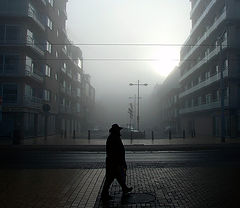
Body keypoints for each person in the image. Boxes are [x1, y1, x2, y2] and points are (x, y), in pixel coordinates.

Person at [101, 124, 133, 201]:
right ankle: (104, 194)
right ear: (116, 130)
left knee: (116, 177)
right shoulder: (114, 138)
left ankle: (124, 188)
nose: (119, 131)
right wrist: (121, 162)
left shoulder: (113, 137)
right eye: (118, 130)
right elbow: (116, 151)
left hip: (113, 161)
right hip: (114, 162)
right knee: (110, 179)